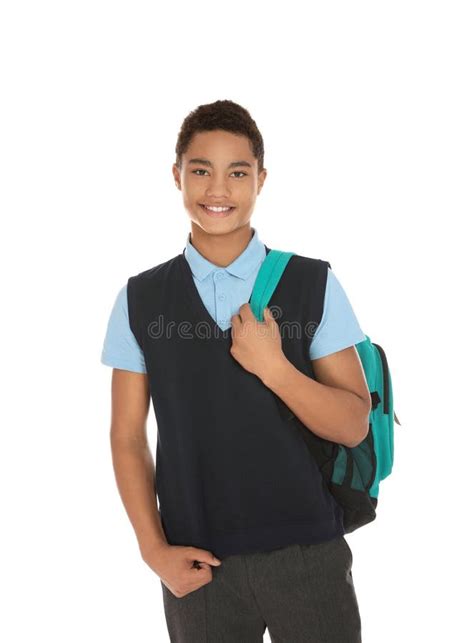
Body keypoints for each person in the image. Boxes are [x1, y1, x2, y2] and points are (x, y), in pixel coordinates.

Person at [101, 99, 371, 642]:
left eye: (237, 172)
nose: (217, 189)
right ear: (177, 175)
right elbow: (128, 436)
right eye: (201, 170)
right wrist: (154, 550)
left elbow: (352, 424)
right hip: (198, 565)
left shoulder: (312, 284)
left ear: (261, 179)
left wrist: (276, 368)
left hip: (307, 552)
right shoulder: (140, 299)